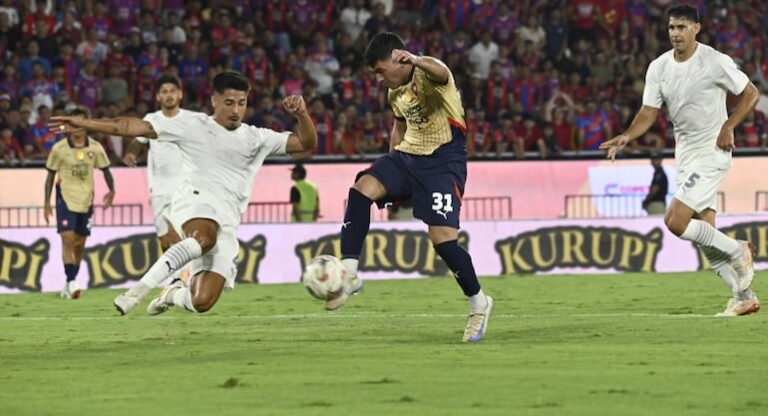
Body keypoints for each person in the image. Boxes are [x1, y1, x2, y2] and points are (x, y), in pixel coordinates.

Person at [50, 71, 317, 316]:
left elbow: (306, 143)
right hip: (194, 202)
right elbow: (131, 127)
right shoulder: (193, 125)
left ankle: (172, 294)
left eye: (242, 102)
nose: (236, 110)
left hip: (227, 220)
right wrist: (87, 123)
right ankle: (137, 292)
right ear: (214, 101)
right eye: (229, 102)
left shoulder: (257, 138)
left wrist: (302, 115)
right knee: (205, 235)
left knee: (202, 302)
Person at [332, 32, 493, 343]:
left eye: (380, 70)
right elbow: (399, 124)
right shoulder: (395, 93)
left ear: (397, 58)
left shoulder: (430, 74)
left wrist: (417, 59)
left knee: (444, 243)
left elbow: (441, 71)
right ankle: (349, 274)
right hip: (407, 157)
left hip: (444, 163)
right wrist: (392, 162)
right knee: (361, 189)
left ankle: (479, 303)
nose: (379, 79)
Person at [599, 4, 759, 317]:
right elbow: (648, 112)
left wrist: (728, 126)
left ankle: (739, 249)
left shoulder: (714, 61)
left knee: (675, 221)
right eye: (672, 27)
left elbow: (750, 93)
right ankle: (744, 296)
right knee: (706, 236)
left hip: (713, 152)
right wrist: (627, 136)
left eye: (682, 27)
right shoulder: (658, 67)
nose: (676, 33)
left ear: (696, 28)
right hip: (685, 155)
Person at [44, 108, 115, 299]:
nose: (76, 126)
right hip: (65, 198)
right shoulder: (59, 149)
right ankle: (73, 281)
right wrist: (46, 203)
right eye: (73, 122)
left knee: (79, 244)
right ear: (68, 125)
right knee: (67, 239)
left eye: (80, 121)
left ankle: (69, 283)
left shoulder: (95, 148)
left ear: (86, 124)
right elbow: (50, 176)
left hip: (86, 200)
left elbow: (106, 170)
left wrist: (112, 190)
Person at [123, 74, 189, 250]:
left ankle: (185, 276)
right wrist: (131, 154)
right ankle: (176, 276)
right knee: (164, 239)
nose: (169, 95)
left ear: (180, 94)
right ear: (158, 96)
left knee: (180, 234)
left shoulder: (190, 120)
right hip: (159, 188)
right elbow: (138, 142)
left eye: (172, 91)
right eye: (164, 92)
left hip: (184, 187)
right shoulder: (151, 119)